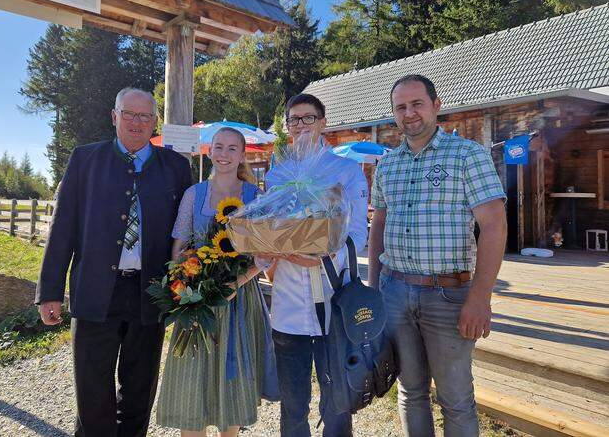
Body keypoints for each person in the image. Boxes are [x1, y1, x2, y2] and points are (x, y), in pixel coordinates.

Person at [35, 88, 192, 437]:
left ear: (155, 121)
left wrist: (186, 291)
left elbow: (187, 235)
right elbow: (63, 229)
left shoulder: (177, 167)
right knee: (92, 393)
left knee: (139, 392)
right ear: (114, 116)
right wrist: (50, 292)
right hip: (94, 292)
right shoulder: (85, 160)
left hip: (150, 295)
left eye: (145, 116)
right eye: (129, 114)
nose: (137, 122)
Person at [368, 74, 507, 437]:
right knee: (410, 391)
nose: (409, 113)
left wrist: (480, 298)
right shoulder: (388, 165)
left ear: (436, 106)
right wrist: (373, 289)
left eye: (417, 104)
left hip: (449, 294)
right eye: (401, 107)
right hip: (394, 291)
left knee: (455, 399)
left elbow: (494, 226)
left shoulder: (467, 154)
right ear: (393, 114)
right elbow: (378, 225)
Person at [156, 127, 274, 437]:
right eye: (218, 147)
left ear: (242, 155)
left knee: (231, 382)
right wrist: (189, 279)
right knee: (192, 382)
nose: (224, 154)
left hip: (239, 301)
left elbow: (261, 254)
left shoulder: (254, 196)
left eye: (232, 148)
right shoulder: (193, 194)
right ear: (210, 152)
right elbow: (178, 249)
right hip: (198, 298)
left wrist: (237, 282)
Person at [265, 93, 369, 437]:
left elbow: (357, 232)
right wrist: (275, 255)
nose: (300, 126)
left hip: (333, 295)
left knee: (337, 396)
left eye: (308, 118)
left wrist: (324, 252)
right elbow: (268, 228)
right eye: (293, 120)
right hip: (287, 301)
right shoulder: (278, 173)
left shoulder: (345, 170)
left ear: (323, 122)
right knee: (293, 402)